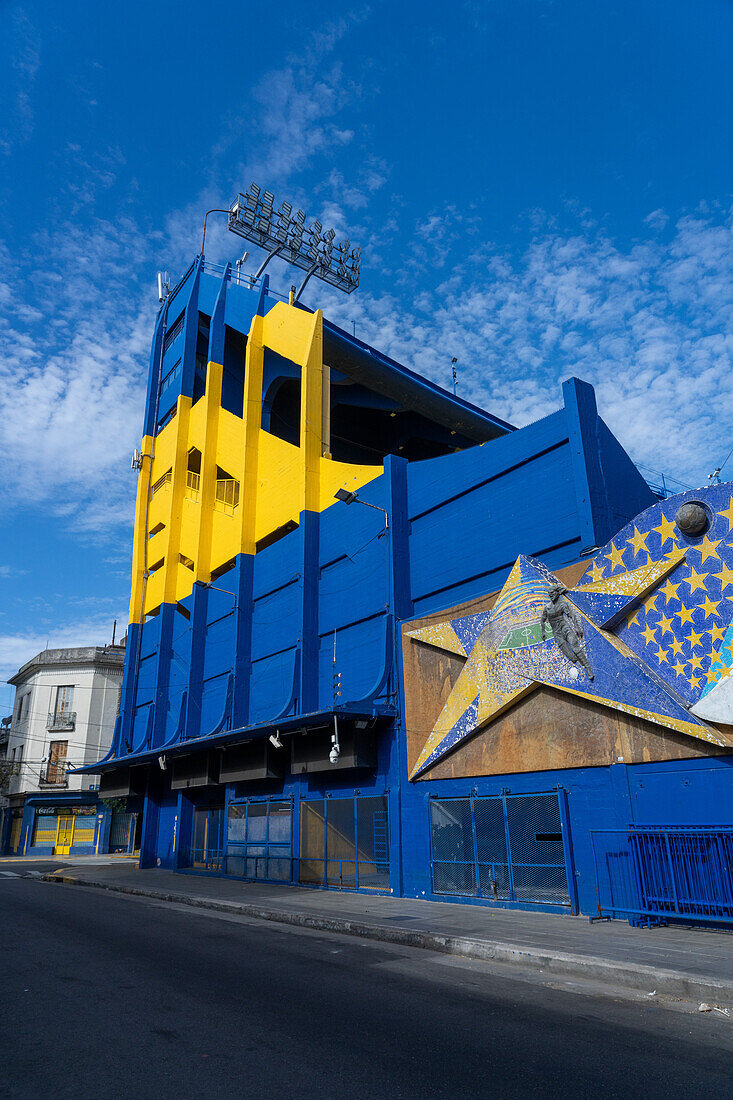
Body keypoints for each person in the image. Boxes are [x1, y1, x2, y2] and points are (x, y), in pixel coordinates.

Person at [540, 583, 594, 680]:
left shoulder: (562, 604)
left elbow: (572, 615)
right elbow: (542, 620)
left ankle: (587, 667)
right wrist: (543, 632)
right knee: (571, 657)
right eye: (549, 593)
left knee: (575, 647)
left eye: (552, 593)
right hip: (556, 632)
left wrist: (577, 627)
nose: (550, 595)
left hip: (565, 628)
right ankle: (578, 661)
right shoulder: (547, 607)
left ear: (557, 593)